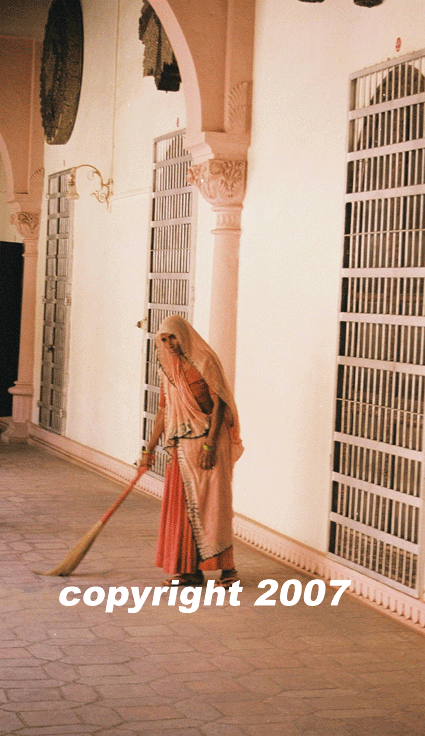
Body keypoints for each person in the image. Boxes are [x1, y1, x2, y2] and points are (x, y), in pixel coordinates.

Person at [139, 315, 243, 589]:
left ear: (184, 335)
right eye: (164, 339)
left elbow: (220, 404)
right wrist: (148, 450)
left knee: (213, 507)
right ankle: (189, 572)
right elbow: (164, 410)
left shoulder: (204, 361)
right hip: (181, 448)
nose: (170, 343)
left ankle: (228, 572)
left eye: (173, 337)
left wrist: (209, 444)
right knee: (183, 508)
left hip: (209, 443)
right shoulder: (168, 369)